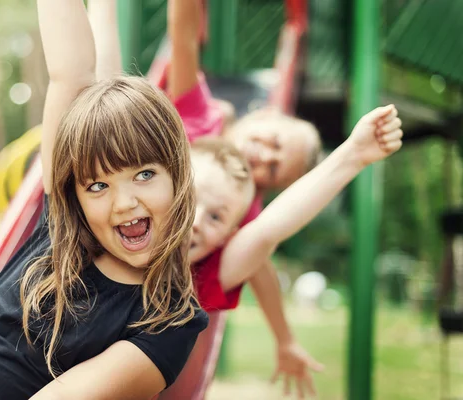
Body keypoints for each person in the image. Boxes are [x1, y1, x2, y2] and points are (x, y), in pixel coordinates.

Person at [0, 0, 208, 399]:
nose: (124, 202)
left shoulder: (168, 323)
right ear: (75, 193)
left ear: (178, 176)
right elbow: (71, 71)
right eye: (98, 186)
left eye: (144, 175)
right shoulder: (62, 236)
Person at [158, 0, 403, 399]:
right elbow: (182, 37)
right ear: (262, 115)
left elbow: (266, 251)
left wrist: (284, 338)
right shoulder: (201, 118)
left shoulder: (241, 218)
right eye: (273, 142)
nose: (263, 157)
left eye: (273, 170)